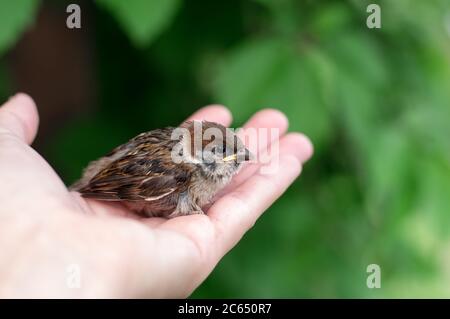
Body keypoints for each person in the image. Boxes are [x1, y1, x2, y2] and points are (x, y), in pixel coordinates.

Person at [0, 93, 313, 298]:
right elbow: (124, 176)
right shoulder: (175, 172)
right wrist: (86, 192)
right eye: (223, 152)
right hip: (110, 181)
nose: (237, 157)